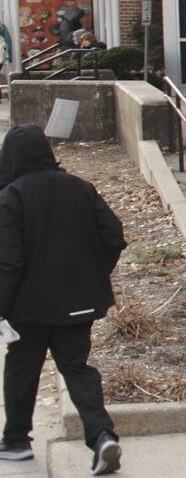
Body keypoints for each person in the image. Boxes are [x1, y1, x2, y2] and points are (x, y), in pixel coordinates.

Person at [0, 126, 125, 473]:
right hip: (78, 303)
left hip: (29, 308)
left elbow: (8, 262)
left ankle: (15, 441)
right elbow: (114, 236)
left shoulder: (11, 196)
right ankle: (102, 437)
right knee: (77, 368)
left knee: (22, 369)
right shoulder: (80, 188)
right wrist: (93, 276)